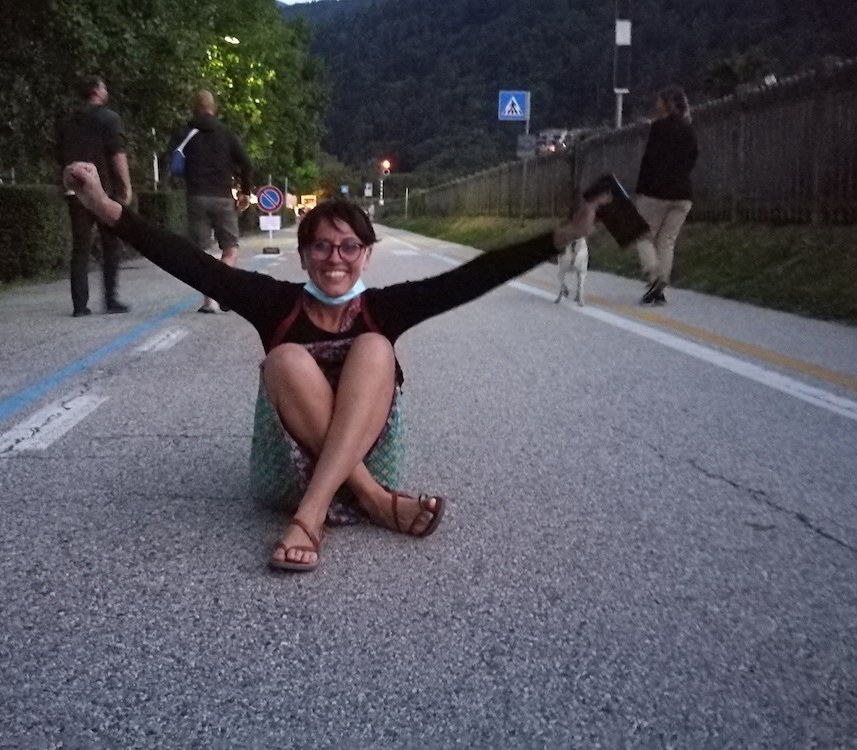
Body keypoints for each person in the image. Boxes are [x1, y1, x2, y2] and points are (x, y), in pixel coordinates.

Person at [64, 160, 608, 573]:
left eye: (349, 247)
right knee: (285, 358)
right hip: (287, 476)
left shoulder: (383, 308)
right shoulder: (275, 303)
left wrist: (564, 236)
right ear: (304, 256)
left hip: (366, 459)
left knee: (375, 348)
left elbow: (472, 277)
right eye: (322, 247)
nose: (335, 259)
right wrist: (104, 206)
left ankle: (311, 517)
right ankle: (371, 499)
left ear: (367, 255)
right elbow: (188, 261)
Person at [169, 90, 255, 313]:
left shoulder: (185, 132)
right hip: (222, 197)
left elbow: (171, 159)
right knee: (231, 248)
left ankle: (209, 302)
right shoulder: (227, 134)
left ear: (194, 109)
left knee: (202, 252)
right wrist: (245, 192)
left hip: (196, 197)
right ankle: (222, 287)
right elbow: (246, 163)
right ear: (214, 108)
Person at [57, 75, 133, 318]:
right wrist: (126, 186)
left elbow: (59, 154)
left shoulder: (68, 121)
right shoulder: (109, 119)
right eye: (104, 86)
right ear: (97, 91)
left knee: (80, 246)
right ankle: (110, 300)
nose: (106, 90)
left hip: (76, 189)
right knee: (110, 244)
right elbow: (117, 154)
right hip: (103, 191)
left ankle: (79, 305)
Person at [634, 85, 699, 306]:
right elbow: (692, 160)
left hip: (656, 192)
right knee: (667, 241)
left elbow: (649, 161)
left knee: (642, 235)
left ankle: (654, 276)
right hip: (683, 195)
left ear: (668, 104)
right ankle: (660, 289)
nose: (656, 105)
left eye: (660, 101)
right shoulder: (689, 130)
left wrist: (640, 189)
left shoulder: (659, 128)